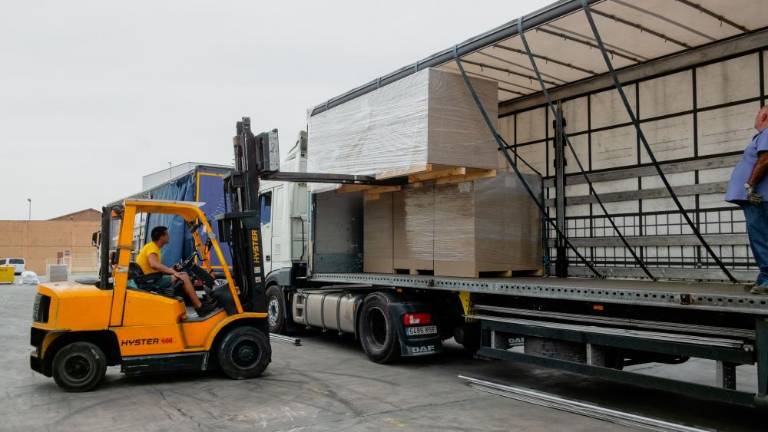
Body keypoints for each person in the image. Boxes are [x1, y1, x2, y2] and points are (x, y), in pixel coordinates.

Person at [725, 105, 768, 294]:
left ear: (765, 115)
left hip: (759, 196)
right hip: (758, 197)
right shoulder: (763, 136)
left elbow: (766, 159)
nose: (756, 116)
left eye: (758, 112)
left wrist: (749, 185)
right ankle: (763, 278)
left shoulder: (767, 133)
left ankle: (767, 279)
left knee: (761, 237)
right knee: (760, 236)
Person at [135, 226, 216, 316]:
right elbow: (154, 264)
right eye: (167, 234)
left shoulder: (152, 247)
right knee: (184, 276)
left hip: (152, 278)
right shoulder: (152, 247)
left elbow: (155, 267)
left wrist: (172, 269)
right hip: (151, 281)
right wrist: (173, 272)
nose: (169, 236)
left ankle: (199, 303)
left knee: (183, 275)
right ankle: (200, 307)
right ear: (162, 237)